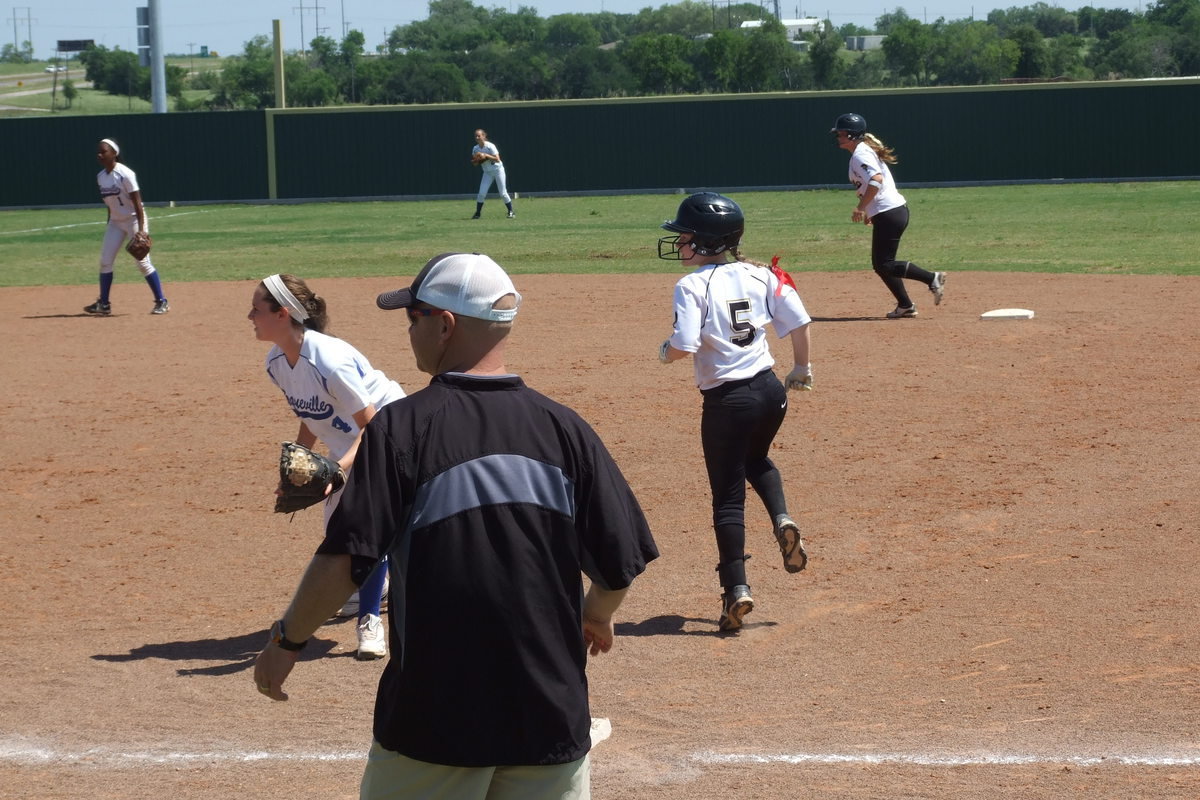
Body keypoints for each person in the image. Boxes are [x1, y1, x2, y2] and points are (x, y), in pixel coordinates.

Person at [254, 252, 657, 800]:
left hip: (436, 722)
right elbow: (618, 561)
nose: (409, 329)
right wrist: (597, 614)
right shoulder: (566, 429)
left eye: (414, 316)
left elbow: (348, 559)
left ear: (444, 325)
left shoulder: (403, 427)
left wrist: (287, 640)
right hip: (551, 721)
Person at [657, 192, 813, 633]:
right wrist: (801, 368)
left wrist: (665, 351)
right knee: (756, 459)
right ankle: (781, 516)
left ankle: (736, 591)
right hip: (769, 392)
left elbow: (684, 344)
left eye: (685, 235)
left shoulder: (690, 285)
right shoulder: (760, 274)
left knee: (727, 498)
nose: (681, 242)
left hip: (728, 403)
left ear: (706, 240)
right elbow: (800, 322)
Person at [249, 273, 405, 660]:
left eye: (257, 308)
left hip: (391, 434)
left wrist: (336, 470)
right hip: (349, 441)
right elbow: (311, 412)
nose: (249, 315)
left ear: (282, 314)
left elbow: (373, 425)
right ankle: (371, 591)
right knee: (338, 531)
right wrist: (298, 465)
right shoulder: (276, 363)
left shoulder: (329, 360)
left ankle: (370, 623)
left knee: (362, 529)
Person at [831, 113, 947, 318]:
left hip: (889, 212)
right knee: (883, 265)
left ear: (851, 135)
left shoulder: (860, 154)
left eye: (840, 133)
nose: (837, 137)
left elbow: (876, 181)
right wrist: (869, 211)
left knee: (884, 264)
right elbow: (872, 183)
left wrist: (861, 208)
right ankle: (905, 305)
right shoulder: (861, 152)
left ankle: (932, 278)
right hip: (889, 212)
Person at [84, 138, 170, 316]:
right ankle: (104, 304)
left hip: (133, 220)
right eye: (98, 152)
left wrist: (141, 230)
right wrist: (110, 224)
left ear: (114, 154)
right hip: (116, 222)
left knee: (142, 262)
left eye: (104, 151)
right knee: (105, 261)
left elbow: (138, 204)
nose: (99, 155)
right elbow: (110, 205)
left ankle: (162, 301)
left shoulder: (125, 174)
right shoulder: (101, 177)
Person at [469, 128, 515, 219]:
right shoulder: (475, 148)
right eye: (476, 136)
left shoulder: (490, 146)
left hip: (498, 170)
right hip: (487, 173)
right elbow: (474, 163)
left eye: (479, 135)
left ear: (484, 136)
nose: (477, 137)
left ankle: (511, 212)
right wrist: (479, 159)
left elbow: (497, 159)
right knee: (481, 193)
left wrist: (486, 156)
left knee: (503, 193)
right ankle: (477, 213)